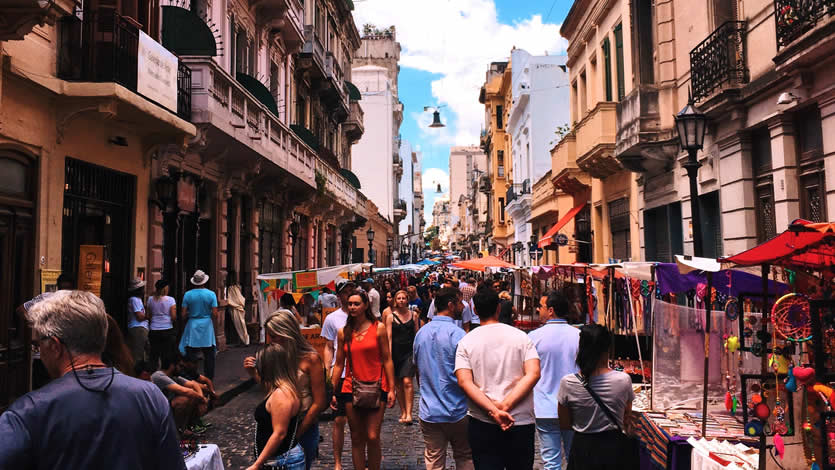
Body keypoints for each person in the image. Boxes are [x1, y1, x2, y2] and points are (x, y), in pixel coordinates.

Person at [0, 290, 185, 469]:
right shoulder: (150, 396)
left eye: (38, 343)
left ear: (55, 346)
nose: (39, 350)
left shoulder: (28, 412)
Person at [454, 289, 541, 470]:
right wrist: (504, 407)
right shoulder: (521, 337)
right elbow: (533, 373)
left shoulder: (467, 341)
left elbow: (464, 382)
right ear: (499, 309)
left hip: (483, 420)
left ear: (475, 311)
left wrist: (494, 410)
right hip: (519, 420)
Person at [248, 310, 327, 470]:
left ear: (288, 333)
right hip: (279, 423)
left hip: (304, 424)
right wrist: (254, 374)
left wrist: (297, 432)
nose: (271, 341)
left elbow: (319, 402)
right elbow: (272, 391)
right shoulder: (277, 355)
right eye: (269, 336)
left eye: (275, 336)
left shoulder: (310, 359)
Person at [331, 289, 396, 470]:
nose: (352, 307)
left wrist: (391, 388)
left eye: (356, 304)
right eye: (350, 304)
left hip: (377, 385)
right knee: (357, 436)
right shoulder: (344, 332)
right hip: (351, 387)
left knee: (373, 435)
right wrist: (332, 390)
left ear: (365, 305)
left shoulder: (378, 328)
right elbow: (339, 364)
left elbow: (387, 359)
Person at [558, 324, 634, 470]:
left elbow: (565, 423)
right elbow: (626, 416)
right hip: (614, 449)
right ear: (608, 349)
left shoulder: (568, 382)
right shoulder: (623, 380)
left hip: (583, 449)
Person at [413, 287, 474, 470]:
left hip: (430, 410)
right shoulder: (458, 335)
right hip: (458, 408)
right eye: (459, 302)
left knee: (434, 459)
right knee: (464, 456)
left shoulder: (421, 334)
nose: (463, 307)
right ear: (450, 304)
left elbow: (418, 370)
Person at [528, 291, 580, 470]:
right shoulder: (579, 336)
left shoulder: (534, 337)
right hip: (573, 405)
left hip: (545, 406)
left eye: (541, 307)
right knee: (574, 458)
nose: (538, 310)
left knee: (551, 460)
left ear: (550, 310)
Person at [250, 343, 306, 470]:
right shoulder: (282, 388)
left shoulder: (282, 394)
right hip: (277, 459)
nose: (258, 368)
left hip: (282, 460)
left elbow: (280, 433)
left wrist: (256, 465)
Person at [320, 280, 355, 470]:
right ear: (339, 296)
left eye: (352, 291)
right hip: (340, 374)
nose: (349, 295)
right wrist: (327, 371)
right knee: (339, 419)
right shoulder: (333, 319)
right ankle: (337, 462)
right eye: (346, 292)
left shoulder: (366, 318)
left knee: (361, 421)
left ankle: (361, 458)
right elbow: (328, 347)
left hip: (361, 375)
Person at [151, 354, 209, 434]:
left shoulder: (173, 376)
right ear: (172, 366)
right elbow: (186, 391)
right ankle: (176, 431)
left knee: (194, 396)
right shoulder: (159, 376)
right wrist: (202, 400)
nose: (182, 368)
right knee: (184, 399)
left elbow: (193, 384)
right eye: (180, 366)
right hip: (156, 411)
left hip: (166, 407)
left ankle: (184, 428)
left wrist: (201, 397)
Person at [384, 290, 418, 424]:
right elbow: (389, 338)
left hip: (409, 352)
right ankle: (403, 411)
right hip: (396, 353)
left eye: (404, 298)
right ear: (395, 301)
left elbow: (417, 334)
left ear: (407, 300)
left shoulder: (413, 315)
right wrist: (389, 356)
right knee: (398, 384)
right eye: (399, 298)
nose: (402, 300)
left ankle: (409, 413)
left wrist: (417, 353)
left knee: (407, 382)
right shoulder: (390, 317)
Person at [179, 270, 219, 380]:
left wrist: (191, 314)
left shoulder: (188, 295)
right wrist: (207, 313)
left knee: (191, 354)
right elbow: (215, 314)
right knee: (209, 355)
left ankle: (192, 377)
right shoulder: (211, 294)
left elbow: (183, 314)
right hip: (206, 326)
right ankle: (209, 378)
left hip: (193, 325)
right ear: (204, 281)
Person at [147, 279, 178, 369]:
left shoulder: (150, 299)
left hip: (154, 329)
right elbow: (173, 316)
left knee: (154, 355)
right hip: (167, 329)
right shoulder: (171, 300)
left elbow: (148, 315)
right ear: (166, 288)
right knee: (166, 355)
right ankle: (165, 375)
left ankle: (152, 374)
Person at [127, 278, 149, 362]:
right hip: (138, 328)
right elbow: (139, 317)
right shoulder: (134, 300)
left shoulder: (137, 300)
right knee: (138, 353)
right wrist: (149, 315)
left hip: (141, 328)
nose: (144, 290)